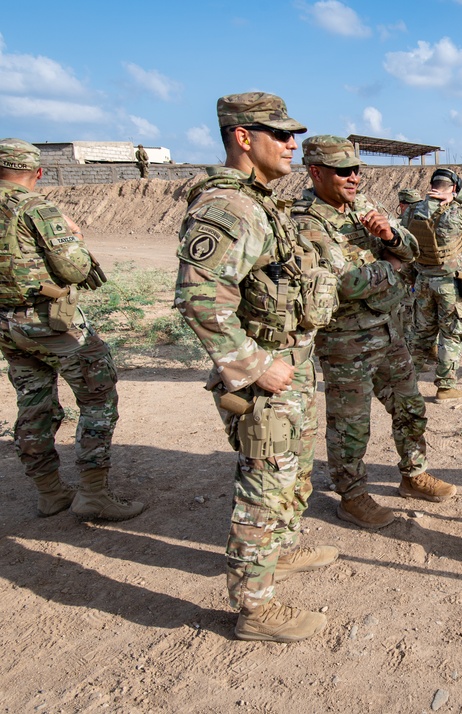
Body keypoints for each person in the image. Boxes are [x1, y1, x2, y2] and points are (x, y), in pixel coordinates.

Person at [175, 93, 339, 642]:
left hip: (293, 362)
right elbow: (199, 299)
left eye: (294, 135)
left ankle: (278, 554)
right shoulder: (230, 208)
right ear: (243, 137)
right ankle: (254, 609)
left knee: (291, 473)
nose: (293, 144)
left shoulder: (260, 199)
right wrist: (254, 367)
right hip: (269, 373)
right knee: (265, 486)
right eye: (281, 135)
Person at [291, 136, 457, 531]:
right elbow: (345, 284)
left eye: (357, 170)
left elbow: (412, 251)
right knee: (351, 424)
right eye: (343, 171)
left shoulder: (363, 205)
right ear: (316, 171)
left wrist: (389, 239)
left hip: (388, 329)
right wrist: (391, 268)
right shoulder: (305, 221)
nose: (354, 178)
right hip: (345, 340)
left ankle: (413, 475)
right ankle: (351, 497)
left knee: (410, 406)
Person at [0, 138, 145, 522]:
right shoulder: (35, 208)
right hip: (50, 323)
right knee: (98, 398)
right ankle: (93, 494)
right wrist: (76, 239)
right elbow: (75, 270)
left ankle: (49, 493)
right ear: (38, 172)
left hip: (5, 325)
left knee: (33, 404)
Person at [403, 168, 462, 401]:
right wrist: (458, 195)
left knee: (421, 334)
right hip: (450, 284)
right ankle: (445, 385)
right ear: (452, 187)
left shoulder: (412, 210)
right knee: (452, 334)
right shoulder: (458, 211)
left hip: (422, 281)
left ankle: (407, 383)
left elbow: (405, 244)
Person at [395, 188, 422, 349]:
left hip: (408, 274)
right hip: (417, 273)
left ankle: (411, 349)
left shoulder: (399, 223)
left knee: (407, 312)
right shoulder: (424, 220)